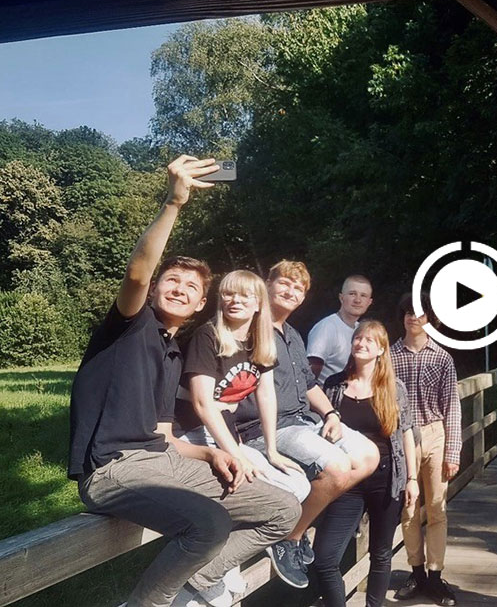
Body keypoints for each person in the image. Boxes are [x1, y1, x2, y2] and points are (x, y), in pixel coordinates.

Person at [68, 156, 300, 607]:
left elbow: (165, 436)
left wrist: (212, 452)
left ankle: (193, 585)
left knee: (283, 509)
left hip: (164, 461)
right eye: (172, 280)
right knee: (209, 524)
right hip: (112, 470)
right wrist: (174, 203)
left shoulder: (174, 352)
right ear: (156, 289)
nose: (179, 288)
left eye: (192, 287)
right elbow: (137, 271)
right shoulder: (130, 326)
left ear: (199, 306)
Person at [238, 261, 380, 588]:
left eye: (298, 288)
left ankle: (297, 524)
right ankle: (288, 537)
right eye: (284, 283)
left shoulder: (292, 335)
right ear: (267, 284)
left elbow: (309, 385)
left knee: (369, 456)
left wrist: (331, 414)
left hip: (303, 421)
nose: (291, 292)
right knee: (337, 468)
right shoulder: (250, 328)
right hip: (268, 429)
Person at [172, 269, 313, 589]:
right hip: (190, 431)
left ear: (259, 303)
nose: (235, 300)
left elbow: (266, 394)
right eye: (228, 293)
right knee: (245, 481)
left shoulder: (260, 341)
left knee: (299, 486)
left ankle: (232, 553)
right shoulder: (208, 336)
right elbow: (202, 404)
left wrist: (272, 451)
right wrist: (237, 455)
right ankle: (212, 569)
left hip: (222, 429)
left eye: (245, 295)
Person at [312, 321, 419, 606]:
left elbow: (407, 432)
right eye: (358, 338)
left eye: (370, 340)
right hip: (346, 479)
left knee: (381, 554)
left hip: (386, 478)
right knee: (324, 557)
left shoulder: (394, 388)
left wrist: (412, 479)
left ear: (382, 349)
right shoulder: (334, 385)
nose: (361, 344)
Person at [392, 293, 461, 606]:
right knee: (409, 509)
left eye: (419, 313)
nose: (413, 318)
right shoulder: (389, 356)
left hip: (434, 433)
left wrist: (453, 452)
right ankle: (416, 573)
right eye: (408, 312)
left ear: (430, 319)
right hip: (402, 436)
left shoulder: (442, 357)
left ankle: (435, 576)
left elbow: (452, 407)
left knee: (436, 508)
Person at [306, 275, 374, 385]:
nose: (357, 300)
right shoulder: (326, 328)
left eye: (363, 295)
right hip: (327, 394)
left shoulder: (362, 331)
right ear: (341, 298)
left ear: (369, 302)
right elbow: (309, 378)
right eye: (352, 294)